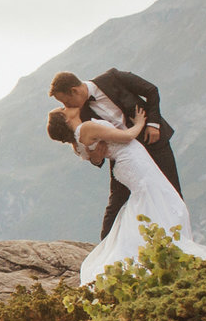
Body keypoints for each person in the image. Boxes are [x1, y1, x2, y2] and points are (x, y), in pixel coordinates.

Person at [46, 100, 206, 285]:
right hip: (132, 161)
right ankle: (163, 248)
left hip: (128, 163)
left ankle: (155, 248)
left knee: (150, 201)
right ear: (66, 119)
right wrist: (140, 123)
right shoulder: (86, 128)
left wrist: (96, 155)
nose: (66, 106)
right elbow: (126, 137)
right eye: (63, 109)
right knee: (162, 200)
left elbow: (94, 158)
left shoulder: (78, 142)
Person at [48, 69, 180, 239]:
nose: (67, 106)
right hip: (125, 159)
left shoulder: (113, 78)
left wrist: (153, 124)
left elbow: (151, 90)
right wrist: (96, 159)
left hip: (153, 142)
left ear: (74, 90)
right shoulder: (80, 113)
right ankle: (106, 247)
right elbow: (86, 146)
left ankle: (178, 241)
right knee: (116, 205)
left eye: (66, 101)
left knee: (171, 192)